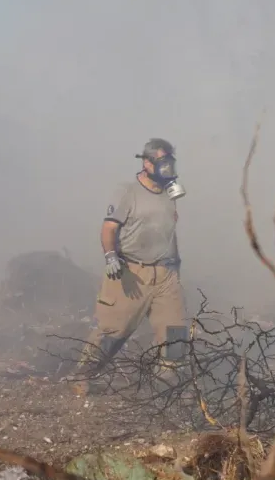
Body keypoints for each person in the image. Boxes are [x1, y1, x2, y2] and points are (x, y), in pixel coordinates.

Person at [70, 138, 189, 396]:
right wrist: (111, 256)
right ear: (147, 163)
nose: (167, 168)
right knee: (112, 330)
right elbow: (109, 227)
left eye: (170, 162)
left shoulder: (170, 194)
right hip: (131, 272)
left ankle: (168, 385)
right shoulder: (127, 192)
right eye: (162, 162)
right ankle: (83, 377)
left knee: (176, 333)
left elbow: (170, 231)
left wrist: (176, 266)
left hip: (166, 273)